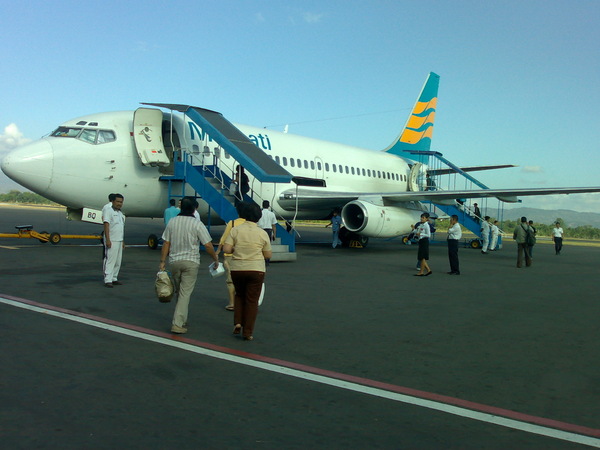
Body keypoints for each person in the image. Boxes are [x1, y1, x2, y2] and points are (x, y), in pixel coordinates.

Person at [159, 197, 219, 334]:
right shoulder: (197, 224)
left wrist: (162, 261)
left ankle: (181, 318)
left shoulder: (173, 222)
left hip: (174, 261)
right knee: (185, 293)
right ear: (194, 209)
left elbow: (166, 243)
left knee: (179, 292)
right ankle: (177, 323)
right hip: (191, 262)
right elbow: (208, 244)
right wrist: (215, 258)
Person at [223, 202, 272, 341]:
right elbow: (268, 255)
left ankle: (238, 322)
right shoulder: (262, 233)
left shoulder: (235, 230)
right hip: (256, 269)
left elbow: (227, 249)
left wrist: (235, 250)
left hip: (238, 268)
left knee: (239, 295)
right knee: (252, 301)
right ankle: (248, 332)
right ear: (259, 216)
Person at [215, 204, 247, 311]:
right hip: (245, 255)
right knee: (244, 280)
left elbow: (224, 238)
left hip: (230, 256)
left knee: (231, 280)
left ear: (238, 212)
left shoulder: (232, 223)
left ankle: (232, 303)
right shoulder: (250, 225)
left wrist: (218, 251)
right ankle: (243, 302)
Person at [102, 193, 125, 287]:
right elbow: (106, 225)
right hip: (112, 239)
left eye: (121, 202)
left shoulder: (120, 213)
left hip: (119, 240)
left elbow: (121, 228)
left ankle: (114, 278)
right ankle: (107, 279)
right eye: (118, 201)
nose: (119, 204)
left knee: (118, 261)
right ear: (113, 201)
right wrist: (108, 239)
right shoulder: (108, 210)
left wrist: (123, 241)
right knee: (110, 260)